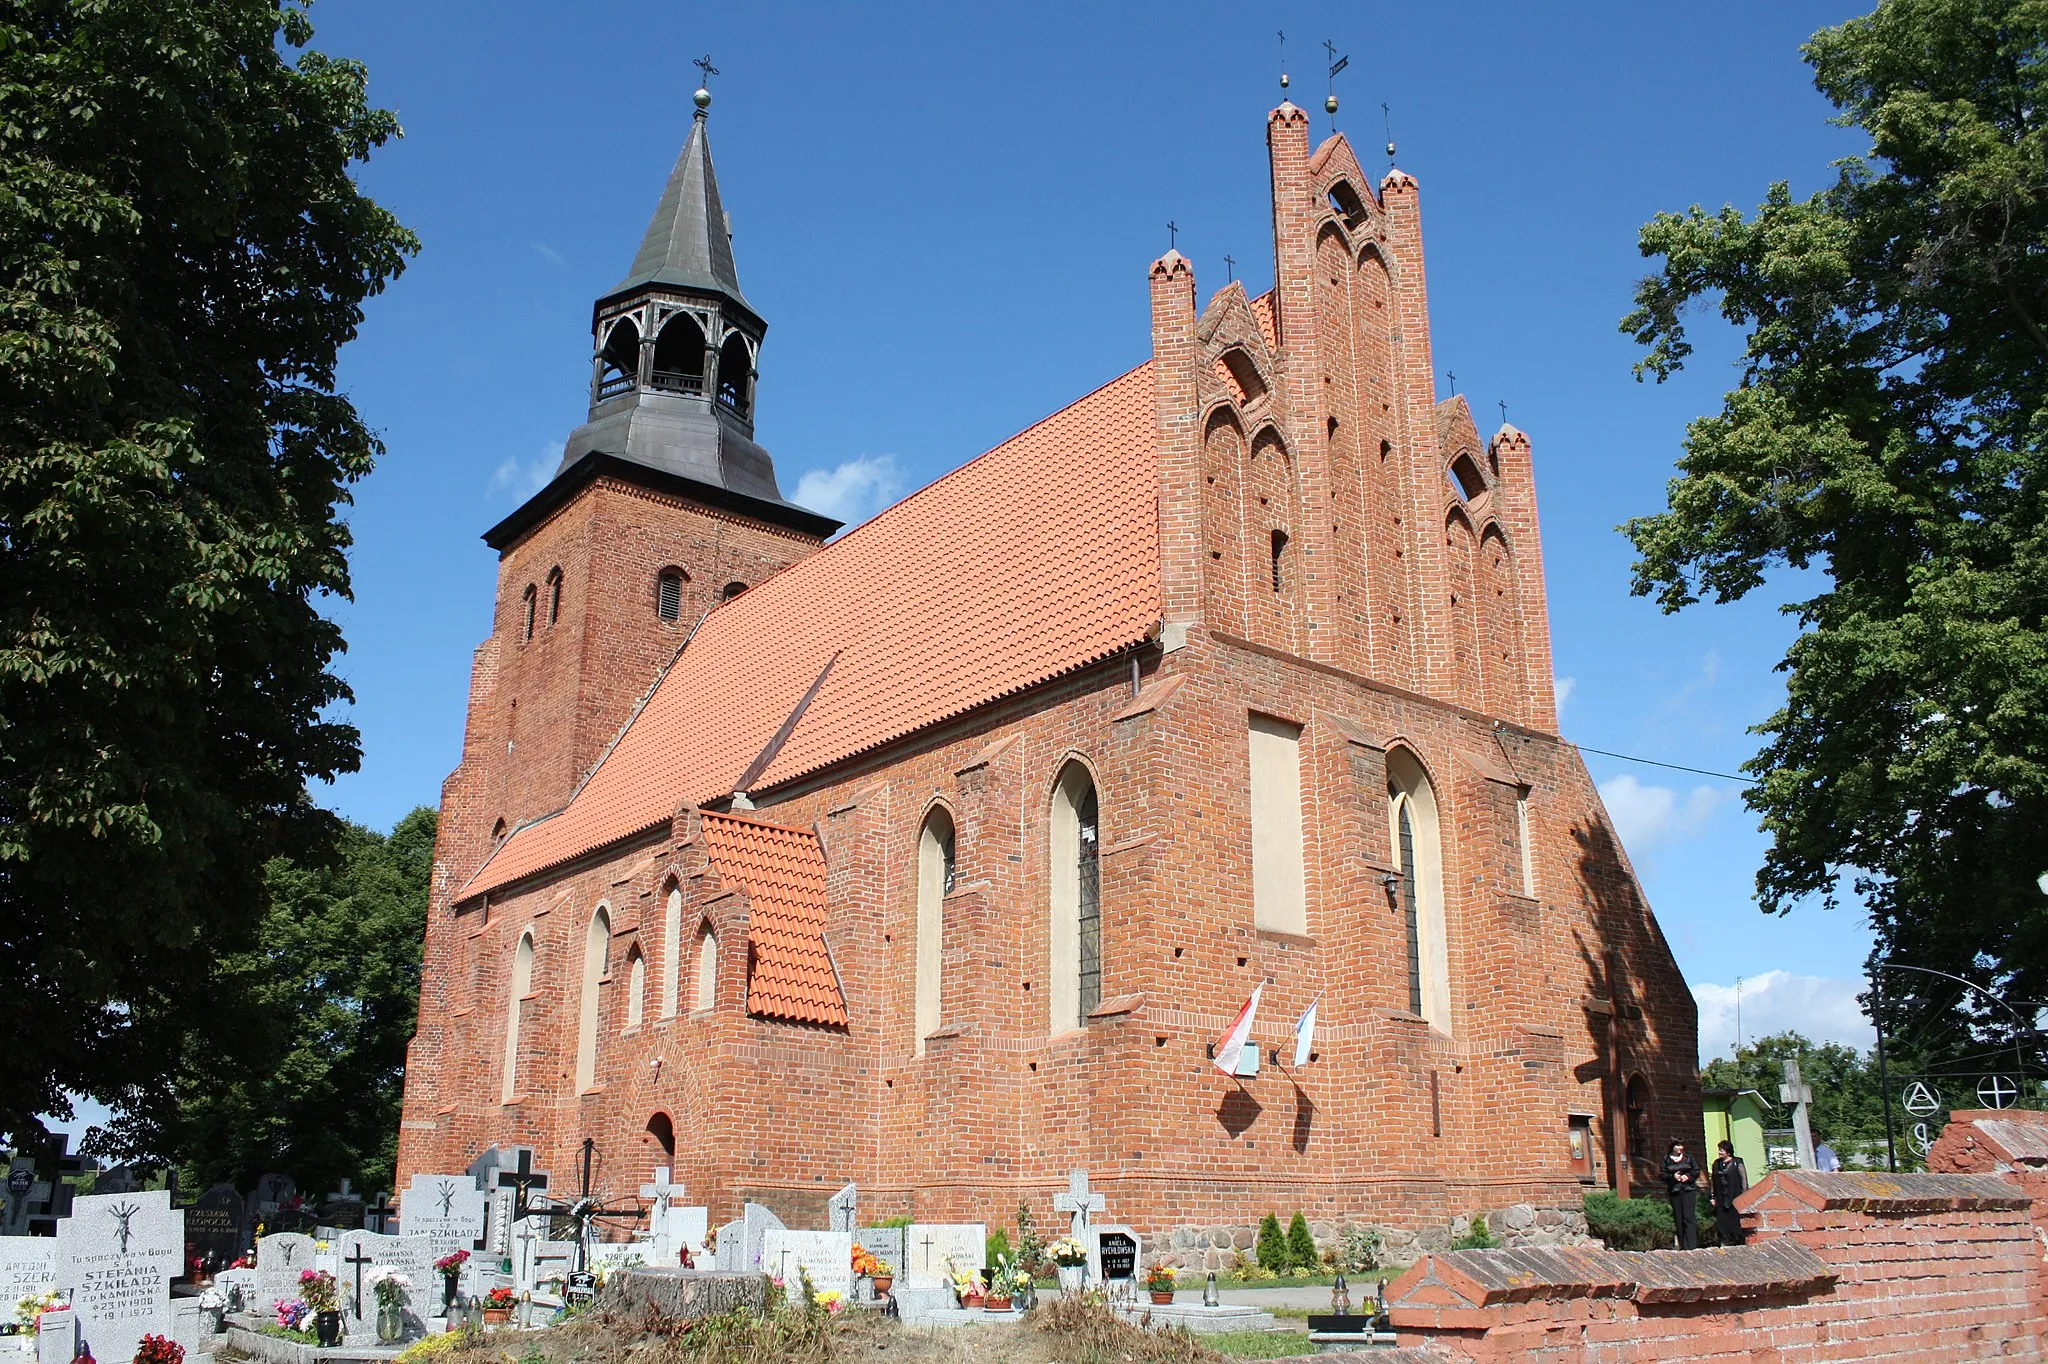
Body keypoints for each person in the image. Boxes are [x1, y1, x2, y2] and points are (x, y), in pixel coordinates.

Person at [1661, 1139, 1701, 1249]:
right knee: (1679, 1219)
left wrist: (1688, 1177)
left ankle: (1691, 1246)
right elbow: (1662, 1175)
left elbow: (1696, 1171)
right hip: (1675, 1191)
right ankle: (1683, 1245)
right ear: (1672, 1146)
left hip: (1688, 1190)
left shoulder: (1688, 1157)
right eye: (1678, 1145)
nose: (1680, 1148)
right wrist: (1672, 1177)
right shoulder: (1666, 1159)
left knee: (1689, 1218)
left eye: (1681, 1145)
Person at [1709, 1139, 1749, 1245]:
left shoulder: (1737, 1162)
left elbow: (1743, 1179)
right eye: (1719, 1150)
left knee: (1735, 1222)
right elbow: (1713, 1181)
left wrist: (1744, 1196)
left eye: (1722, 1150)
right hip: (1721, 1197)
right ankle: (1724, 1241)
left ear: (1728, 1151)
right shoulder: (1716, 1164)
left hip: (1734, 1196)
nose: (1719, 1152)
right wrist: (1712, 1196)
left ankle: (1738, 1241)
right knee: (1722, 1223)